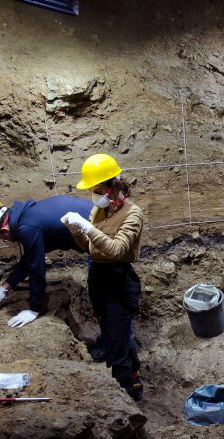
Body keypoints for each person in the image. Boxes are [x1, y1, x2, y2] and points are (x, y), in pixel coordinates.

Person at [61, 153, 145, 401]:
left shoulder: (133, 214)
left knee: (117, 345)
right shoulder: (101, 211)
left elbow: (118, 250)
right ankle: (134, 374)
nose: (93, 196)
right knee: (114, 334)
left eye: (97, 190)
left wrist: (87, 228)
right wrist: (75, 231)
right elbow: (90, 246)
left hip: (119, 282)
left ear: (112, 187)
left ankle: (126, 394)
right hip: (99, 277)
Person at [0, 196, 93, 327]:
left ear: (4, 230)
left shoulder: (27, 228)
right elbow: (31, 257)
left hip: (102, 237)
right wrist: (5, 288)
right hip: (97, 226)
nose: (5, 241)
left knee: (105, 292)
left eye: (1, 237)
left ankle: (108, 338)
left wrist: (34, 310)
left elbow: (36, 269)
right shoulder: (25, 214)